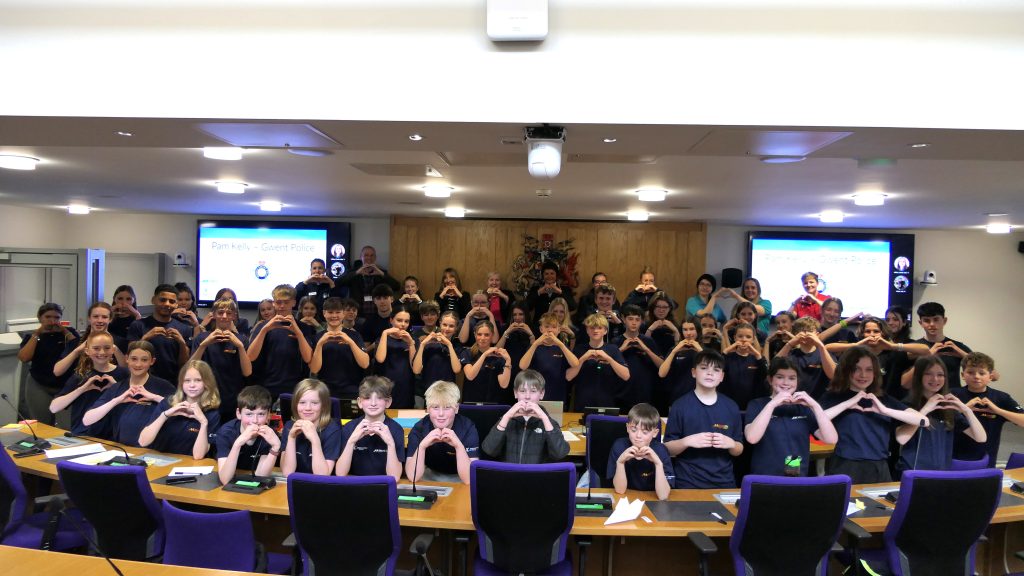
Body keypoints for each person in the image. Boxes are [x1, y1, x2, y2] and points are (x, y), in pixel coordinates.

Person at [820, 347, 926, 484]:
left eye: (869, 369)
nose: (863, 375)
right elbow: (817, 419)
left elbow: (923, 420)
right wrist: (847, 404)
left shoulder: (882, 399)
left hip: (880, 467)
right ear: (846, 370)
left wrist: (885, 410)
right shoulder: (834, 396)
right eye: (856, 369)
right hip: (846, 466)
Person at [663, 350, 743, 489]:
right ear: (694, 372)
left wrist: (731, 443)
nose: (710, 373)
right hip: (687, 481)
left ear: (722, 376)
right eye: (704, 368)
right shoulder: (680, 405)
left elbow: (739, 449)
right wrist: (687, 441)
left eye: (716, 370)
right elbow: (667, 449)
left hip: (724, 481)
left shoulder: (731, 406)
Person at [744, 357, 837, 476]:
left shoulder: (803, 407)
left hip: (796, 475)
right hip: (765, 476)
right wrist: (772, 404)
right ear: (770, 379)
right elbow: (752, 438)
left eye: (792, 378)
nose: (786, 383)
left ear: (797, 381)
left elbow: (831, 439)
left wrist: (815, 405)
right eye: (780, 377)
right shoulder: (757, 404)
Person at [895, 356, 986, 473]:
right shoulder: (907, 404)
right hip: (912, 472)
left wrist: (966, 410)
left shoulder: (947, 407)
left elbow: (981, 438)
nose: (935, 379)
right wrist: (926, 409)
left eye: (940, 375)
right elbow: (902, 439)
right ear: (919, 376)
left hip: (940, 473)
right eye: (929, 373)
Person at [82, 340, 175, 446]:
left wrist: (154, 397)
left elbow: (180, 409)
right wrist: (117, 400)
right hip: (122, 449)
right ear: (127, 359)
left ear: (152, 361)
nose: (138, 364)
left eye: (144, 360)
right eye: (134, 359)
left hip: (152, 451)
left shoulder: (164, 387)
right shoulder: (117, 388)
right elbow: (87, 420)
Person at [825, 316, 928, 401]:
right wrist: (856, 344)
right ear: (862, 334)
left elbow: (925, 350)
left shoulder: (893, 354)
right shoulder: (855, 354)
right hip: (857, 401)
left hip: (888, 403)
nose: (872, 335)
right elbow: (827, 348)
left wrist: (893, 346)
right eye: (868, 331)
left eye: (876, 331)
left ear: (882, 333)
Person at [951, 352, 1024, 467]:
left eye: (982, 373)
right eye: (970, 372)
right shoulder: (953, 395)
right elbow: (937, 420)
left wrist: (999, 411)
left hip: (986, 459)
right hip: (953, 458)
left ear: (990, 376)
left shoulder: (1001, 398)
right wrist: (964, 408)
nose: (976, 376)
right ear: (962, 375)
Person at [481, 369, 570, 463]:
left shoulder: (549, 422)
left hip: (536, 476)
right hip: (509, 475)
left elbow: (560, 454)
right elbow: (489, 450)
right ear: (515, 393)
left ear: (541, 394)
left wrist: (545, 418)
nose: (527, 396)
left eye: (533, 391)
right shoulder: (506, 420)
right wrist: (506, 417)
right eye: (522, 391)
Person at [138, 360, 221, 459]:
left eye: (198, 380)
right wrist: (165, 415)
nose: (192, 385)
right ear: (181, 383)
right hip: (156, 461)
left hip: (185, 466)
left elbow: (198, 455)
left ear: (207, 383)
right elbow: (143, 442)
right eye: (187, 380)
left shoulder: (211, 413)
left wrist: (203, 423)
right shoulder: (167, 403)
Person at [49, 331, 128, 434]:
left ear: (113, 350)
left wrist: (115, 388)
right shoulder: (80, 376)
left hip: (114, 436)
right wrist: (81, 389)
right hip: (84, 434)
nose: (102, 352)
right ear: (87, 351)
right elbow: (54, 408)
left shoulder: (124, 374)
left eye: (107, 348)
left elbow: (134, 406)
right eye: (96, 348)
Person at [246, 284, 315, 400]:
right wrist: (264, 330)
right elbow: (251, 357)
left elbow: (308, 358)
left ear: (294, 303)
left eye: (286, 302)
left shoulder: (304, 328)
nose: (282, 306)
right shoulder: (262, 327)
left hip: (295, 387)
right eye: (278, 302)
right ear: (273, 303)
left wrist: (298, 333)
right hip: (266, 386)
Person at [189, 297, 253, 422]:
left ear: (234, 316)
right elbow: (190, 368)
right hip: (207, 398)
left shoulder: (242, 340)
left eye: (229, 313)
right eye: (220, 312)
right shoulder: (202, 338)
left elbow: (247, 372)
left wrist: (239, 346)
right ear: (213, 314)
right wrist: (204, 344)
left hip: (233, 399)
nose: (224, 316)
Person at [405, 380, 479, 485]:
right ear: (428, 409)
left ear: (456, 408)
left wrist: (458, 446)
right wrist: (422, 447)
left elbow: (469, 479)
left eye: (447, 407)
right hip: (429, 477)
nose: (441, 414)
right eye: (435, 407)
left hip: (460, 479)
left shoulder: (468, 427)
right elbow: (413, 477)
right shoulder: (419, 428)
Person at [18, 302, 80, 423]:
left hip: (66, 385)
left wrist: (64, 331)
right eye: (48, 317)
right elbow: (24, 358)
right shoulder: (31, 336)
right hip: (39, 384)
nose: (52, 321)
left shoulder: (69, 333)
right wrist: (37, 333)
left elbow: (78, 350)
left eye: (56, 317)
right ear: (40, 318)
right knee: (42, 423)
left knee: (66, 425)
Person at [336, 376, 405, 480]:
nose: (373, 403)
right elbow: (340, 474)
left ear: (388, 402)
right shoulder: (349, 428)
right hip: (355, 485)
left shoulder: (396, 429)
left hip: (383, 487)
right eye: (367, 398)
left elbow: (394, 477)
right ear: (359, 402)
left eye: (379, 398)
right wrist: (351, 441)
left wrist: (390, 443)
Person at [216, 385, 281, 485]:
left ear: (268, 415)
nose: (255, 420)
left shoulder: (269, 435)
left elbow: (260, 477)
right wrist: (238, 444)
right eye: (249, 414)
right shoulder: (226, 433)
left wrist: (275, 447)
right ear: (238, 413)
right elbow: (225, 479)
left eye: (261, 414)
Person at [608, 403, 674, 500]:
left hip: (651, 500)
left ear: (655, 433)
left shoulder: (661, 450)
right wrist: (620, 462)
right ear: (627, 428)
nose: (638, 436)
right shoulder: (619, 446)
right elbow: (620, 490)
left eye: (645, 432)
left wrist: (658, 464)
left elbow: (663, 496)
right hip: (626, 499)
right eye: (634, 430)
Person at [127, 284, 191, 383]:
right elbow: (130, 355)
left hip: (173, 383)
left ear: (176, 304)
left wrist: (181, 343)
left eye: (172, 301)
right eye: (162, 300)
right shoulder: (138, 325)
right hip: (142, 381)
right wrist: (146, 337)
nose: (167, 304)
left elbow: (184, 363)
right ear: (153, 300)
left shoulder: (184, 329)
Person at [309, 296, 369, 399]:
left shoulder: (355, 335)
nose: (334, 316)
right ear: (324, 313)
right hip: (326, 391)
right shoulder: (317, 338)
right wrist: (320, 344)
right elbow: (314, 369)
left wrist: (350, 341)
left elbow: (365, 364)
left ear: (343, 313)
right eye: (330, 312)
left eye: (338, 312)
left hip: (352, 390)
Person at [567, 314, 630, 411]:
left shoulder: (613, 349)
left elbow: (626, 376)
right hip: (582, 403)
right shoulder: (579, 349)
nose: (595, 331)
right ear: (587, 330)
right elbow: (568, 376)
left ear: (605, 331)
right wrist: (583, 358)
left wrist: (608, 359)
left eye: (599, 328)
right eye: (592, 328)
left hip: (607, 402)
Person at [280, 378, 343, 476]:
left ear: (323, 406)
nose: (308, 408)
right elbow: (287, 473)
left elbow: (322, 476)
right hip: (297, 484)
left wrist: (315, 440)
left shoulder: (332, 430)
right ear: (295, 405)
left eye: (314, 403)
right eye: (302, 403)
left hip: (321, 487)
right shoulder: (289, 426)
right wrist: (291, 438)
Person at [518, 312, 579, 407]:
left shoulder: (562, 347)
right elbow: (522, 366)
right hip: (535, 395)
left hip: (557, 395)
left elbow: (575, 364)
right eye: (547, 326)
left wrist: (560, 344)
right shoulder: (534, 347)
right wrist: (535, 344)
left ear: (559, 330)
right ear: (541, 329)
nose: (550, 330)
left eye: (554, 327)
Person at [53, 302, 126, 378]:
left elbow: (127, 371)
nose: (99, 320)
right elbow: (57, 371)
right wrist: (77, 351)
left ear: (110, 319)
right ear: (89, 318)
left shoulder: (120, 342)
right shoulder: (76, 342)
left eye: (104, 317)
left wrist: (115, 349)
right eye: (95, 316)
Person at [912, 302, 972, 389]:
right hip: (923, 398)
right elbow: (904, 382)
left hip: (952, 397)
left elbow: (994, 376)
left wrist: (963, 354)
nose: (932, 324)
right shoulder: (914, 347)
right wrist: (927, 356)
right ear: (920, 323)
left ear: (944, 321)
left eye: (936, 319)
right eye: (927, 320)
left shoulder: (956, 347)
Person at [614, 305, 663, 409]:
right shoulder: (616, 342)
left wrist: (646, 349)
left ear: (642, 321)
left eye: (637, 319)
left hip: (645, 394)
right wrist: (621, 349)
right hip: (621, 394)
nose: (634, 322)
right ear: (623, 319)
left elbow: (662, 366)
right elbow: (606, 364)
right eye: (630, 319)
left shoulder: (648, 341)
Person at [413, 311, 469, 400]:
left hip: (449, 392)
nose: (447, 328)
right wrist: (423, 344)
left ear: (456, 328)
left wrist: (449, 345)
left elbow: (457, 369)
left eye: (451, 326)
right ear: (440, 324)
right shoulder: (429, 344)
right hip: (429, 390)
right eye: (445, 325)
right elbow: (416, 370)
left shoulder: (457, 345)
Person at [777, 316, 836, 399]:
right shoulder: (790, 354)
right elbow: (773, 368)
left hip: (818, 402)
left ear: (817, 334)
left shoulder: (824, 354)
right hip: (793, 400)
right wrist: (789, 344)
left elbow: (834, 375)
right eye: (801, 331)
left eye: (809, 331)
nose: (805, 334)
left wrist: (820, 345)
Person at [336, 245, 400, 317]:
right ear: (361, 257)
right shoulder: (353, 272)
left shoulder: (381, 273)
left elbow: (397, 286)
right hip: (357, 313)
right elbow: (337, 283)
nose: (369, 258)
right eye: (366, 255)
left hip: (377, 313)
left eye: (372, 255)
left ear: (375, 258)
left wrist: (382, 274)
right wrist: (356, 273)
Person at [374, 306, 417, 408]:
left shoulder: (413, 340)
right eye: (399, 320)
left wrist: (411, 344)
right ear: (391, 320)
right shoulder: (382, 339)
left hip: (405, 387)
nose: (403, 324)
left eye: (406, 321)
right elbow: (380, 359)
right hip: (384, 387)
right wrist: (385, 333)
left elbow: (415, 367)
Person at [718, 321, 767, 410]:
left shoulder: (757, 359)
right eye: (740, 336)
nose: (744, 339)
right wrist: (727, 350)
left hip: (751, 404)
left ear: (753, 340)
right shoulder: (728, 357)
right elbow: (717, 368)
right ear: (735, 338)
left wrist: (757, 354)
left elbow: (765, 375)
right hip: (729, 403)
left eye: (748, 337)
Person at [462, 320, 513, 404]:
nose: (482, 338)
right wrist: (485, 354)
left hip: (492, 403)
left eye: (486, 335)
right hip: (470, 402)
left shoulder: (498, 356)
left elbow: (504, 384)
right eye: (479, 334)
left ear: (492, 336)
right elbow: (470, 376)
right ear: (475, 335)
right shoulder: (467, 353)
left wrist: (508, 360)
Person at [658, 318, 702, 414]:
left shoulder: (704, 350)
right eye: (685, 330)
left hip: (700, 398)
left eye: (692, 329)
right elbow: (661, 373)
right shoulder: (675, 350)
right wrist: (674, 351)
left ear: (698, 330)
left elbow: (713, 368)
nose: (688, 333)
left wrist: (700, 350)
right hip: (677, 398)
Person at [527, 261, 575, 325]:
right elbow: (527, 307)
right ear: (543, 275)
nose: (549, 276)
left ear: (556, 275)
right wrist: (538, 292)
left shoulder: (565, 289)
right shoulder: (535, 289)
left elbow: (573, 307)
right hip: (539, 326)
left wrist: (560, 292)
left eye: (552, 273)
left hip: (559, 326)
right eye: (546, 274)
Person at [359, 284, 396, 351]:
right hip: (376, 356)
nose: (382, 301)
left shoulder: (400, 318)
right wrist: (374, 346)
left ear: (392, 299)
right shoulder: (369, 322)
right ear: (374, 301)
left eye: (385, 298)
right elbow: (364, 350)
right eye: (378, 298)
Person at [643, 293, 680, 358]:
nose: (661, 310)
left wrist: (676, 331)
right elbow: (643, 350)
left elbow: (679, 352)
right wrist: (649, 330)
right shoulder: (645, 325)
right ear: (652, 307)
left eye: (665, 307)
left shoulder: (675, 325)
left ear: (670, 308)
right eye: (658, 307)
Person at [109, 285, 142, 353]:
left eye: (128, 299)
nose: (124, 303)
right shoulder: (109, 317)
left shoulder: (136, 318)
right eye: (120, 298)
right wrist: (109, 312)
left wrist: (137, 315)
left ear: (134, 300)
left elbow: (140, 340)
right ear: (114, 299)